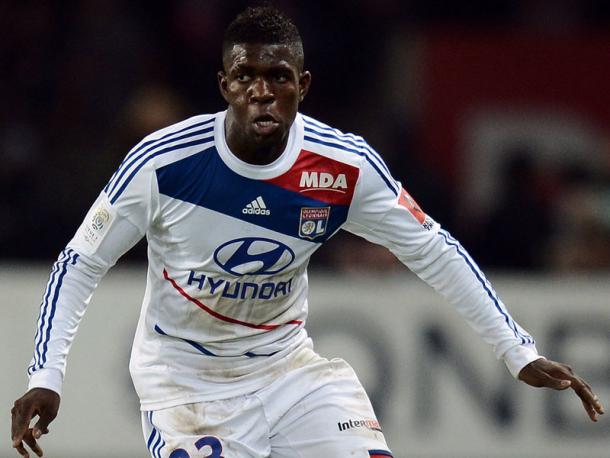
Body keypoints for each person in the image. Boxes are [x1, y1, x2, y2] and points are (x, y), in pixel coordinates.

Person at [11, 6, 604, 458]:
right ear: (224, 85)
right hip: (186, 386)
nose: (262, 91)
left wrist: (515, 348)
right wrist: (47, 374)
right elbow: (79, 263)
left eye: (279, 75)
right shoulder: (163, 164)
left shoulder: (343, 168)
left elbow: (434, 250)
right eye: (246, 76)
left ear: (304, 85)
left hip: (289, 372)